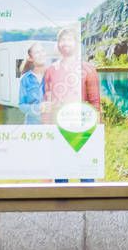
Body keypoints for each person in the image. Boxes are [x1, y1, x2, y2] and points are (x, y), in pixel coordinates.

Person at [42, 27, 101, 183]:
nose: (65, 43)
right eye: (62, 39)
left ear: (76, 43)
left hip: (83, 129)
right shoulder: (50, 71)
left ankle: (88, 203)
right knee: (60, 174)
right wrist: (46, 129)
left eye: (69, 39)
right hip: (58, 129)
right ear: (58, 44)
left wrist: (96, 131)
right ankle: (62, 203)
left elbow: (95, 103)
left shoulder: (88, 69)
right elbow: (46, 102)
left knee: (86, 173)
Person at [18, 43, 47, 125]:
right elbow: (22, 105)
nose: (41, 54)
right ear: (30, 58)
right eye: (37, 52)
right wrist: (38, 108)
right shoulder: (26, 78)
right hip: (32, 124)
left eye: (42, 51)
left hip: (50, 123)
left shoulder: (52, 74)